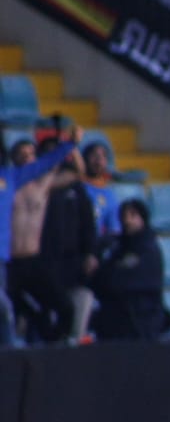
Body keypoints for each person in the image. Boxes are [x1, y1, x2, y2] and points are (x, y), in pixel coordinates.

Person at [0, 123, 81, 347]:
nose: (27, 157)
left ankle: (55, 344)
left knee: (61, 307)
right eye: (22, 153)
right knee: (7, 311)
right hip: (9, 262)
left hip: (19, 261)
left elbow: (50, 164)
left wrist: (70, 145)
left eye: (30, 152)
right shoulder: (11, 180)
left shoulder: (15, 178)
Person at [40, 150, 99, 343]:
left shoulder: (77, 190)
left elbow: (88, 225)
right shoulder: (38, 186)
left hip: (71, 263)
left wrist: (91, 253)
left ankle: (73, 342)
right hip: (42, 261)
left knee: (81, 299)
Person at [89, 198, 166, 341]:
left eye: (133, 215)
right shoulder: (115, 247)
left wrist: (108, 275)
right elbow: (99, 280)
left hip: (140, 324)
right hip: (114, 323)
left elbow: (119, 282)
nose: (127, 221)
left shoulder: (149, 250)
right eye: (124, 216)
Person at [80, 140, 121, 239]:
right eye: (94, 156)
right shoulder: (75, 187)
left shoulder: (110, 195)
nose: (98, 161)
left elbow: (114, 230)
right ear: (84, 159)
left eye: (102, 156)